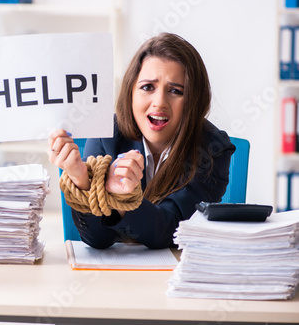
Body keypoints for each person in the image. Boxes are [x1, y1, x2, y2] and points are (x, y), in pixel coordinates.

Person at [47, 32, 235, 249]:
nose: (159, 102)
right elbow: (97, 240)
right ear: (131, 92)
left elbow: (172, 231)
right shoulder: (106, 134)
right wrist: (82, 179)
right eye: (148, 87)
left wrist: (123, 199)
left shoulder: (213, 149)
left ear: (194, 100)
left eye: (175, 91)